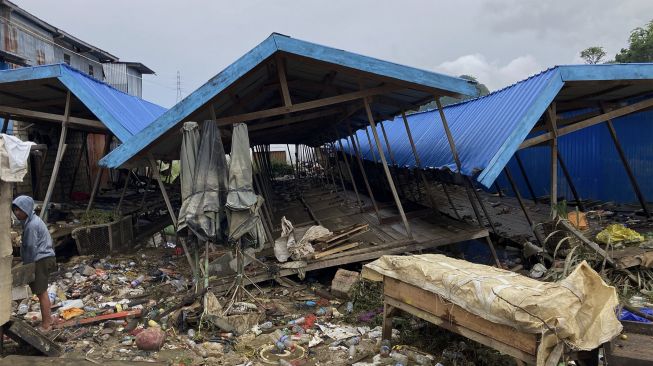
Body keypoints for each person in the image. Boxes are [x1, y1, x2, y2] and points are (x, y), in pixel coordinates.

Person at [12, 195, 56, 332]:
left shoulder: (31, 225)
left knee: (41, 292)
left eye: (19, 209)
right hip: (45, 258)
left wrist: (27, 267)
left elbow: (31, 248)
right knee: (42, 292)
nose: (16, 213)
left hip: (41, 260)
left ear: (27, 209)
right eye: (15, 209)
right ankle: (49, 319)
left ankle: (46, 324)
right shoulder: (33, 221)